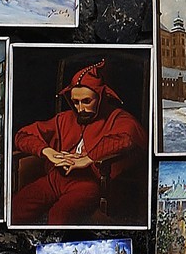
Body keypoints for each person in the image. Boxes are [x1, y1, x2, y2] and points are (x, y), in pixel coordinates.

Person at [11, 60, 147, 225]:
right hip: (54, 179)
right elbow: (22, 135)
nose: (80, 108)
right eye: (75, 102)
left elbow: (128, 137)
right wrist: (48, 152)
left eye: (86, 101)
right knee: (16, 209)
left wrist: (88, 158)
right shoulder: (64, 118)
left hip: (88, 184)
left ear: (101, 97)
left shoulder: (117, 117)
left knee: (59, 215)